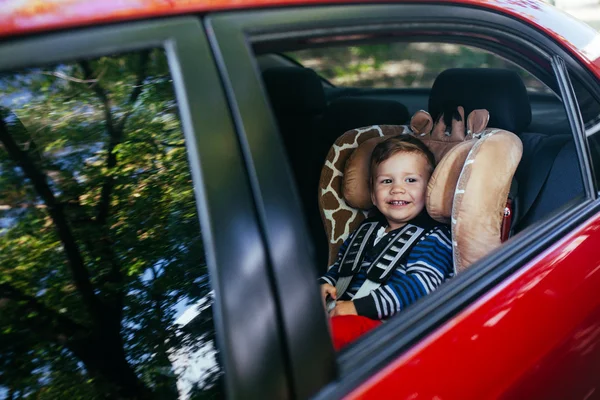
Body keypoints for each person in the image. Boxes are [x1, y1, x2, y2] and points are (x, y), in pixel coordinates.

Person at [318, 135, 453, 350]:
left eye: (411, 180)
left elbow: (421, 287)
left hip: (393, 331)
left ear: (429, 190)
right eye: (386, 181)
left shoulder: (435, 236)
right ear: (372, 193)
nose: (397, 189)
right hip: (344, 314)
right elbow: (339, 270)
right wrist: (323, 285)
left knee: (333, 333)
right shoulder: (364, 231)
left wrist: (357, 307)